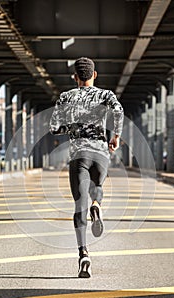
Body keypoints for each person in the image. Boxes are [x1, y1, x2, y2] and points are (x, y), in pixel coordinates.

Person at [50, 57, 124, 278]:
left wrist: (72, 127)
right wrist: (116, 136)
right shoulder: (105, 95)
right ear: (95, 75)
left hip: (78, 155)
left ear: (75, 77)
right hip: (100, 153)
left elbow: (53, 128)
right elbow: (119, 112)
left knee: (78, 205)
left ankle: (83, 254)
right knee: (97, 187)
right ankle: (97, 204)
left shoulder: (66, 97)